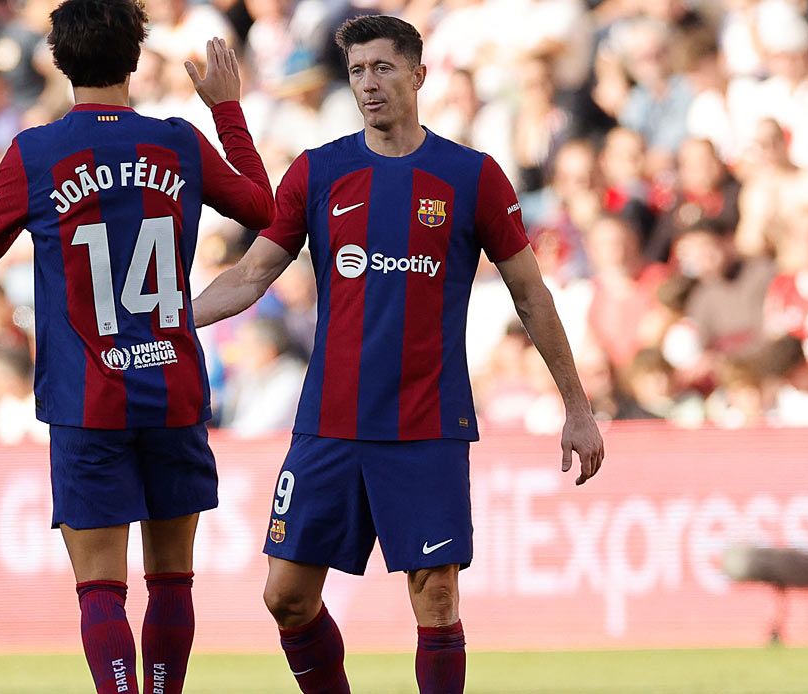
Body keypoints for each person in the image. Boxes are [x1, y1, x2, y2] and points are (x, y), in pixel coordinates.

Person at [190, 14, 604, 694]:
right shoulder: (319, 171)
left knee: (435, 596)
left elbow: (531, 294)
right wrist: (171, 321)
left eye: (382, 67)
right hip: (330, 422)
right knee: (285, 597)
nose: (368, 83)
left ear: (418, 74)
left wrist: (577, 407)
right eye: (357, 71)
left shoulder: (470, 176)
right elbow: (250, 275)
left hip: (426, 422)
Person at [0, 1, 275, 692]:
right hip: (173, 386)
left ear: (59, 60)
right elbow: (264, 209)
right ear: (135, 58)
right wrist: (226, 111)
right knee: (171, 580)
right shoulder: (178, 142)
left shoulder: (36, 152)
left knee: (100, 587)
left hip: (86, 395)